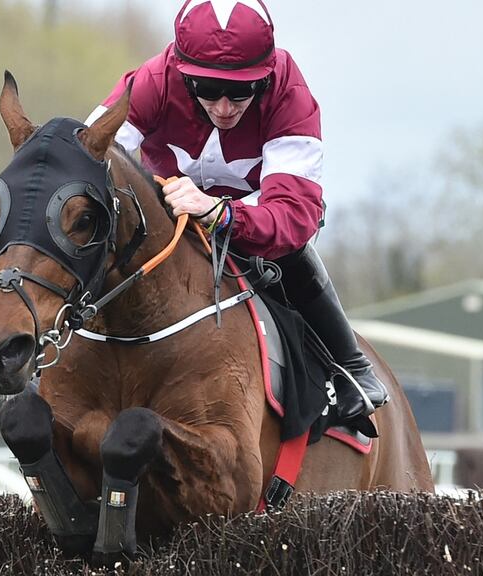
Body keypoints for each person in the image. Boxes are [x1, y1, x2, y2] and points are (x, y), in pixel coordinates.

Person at [86, 0, 387, 421]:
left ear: (265, 77)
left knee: (291, 251)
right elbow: (87, 163)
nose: (224, 108)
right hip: (165, 216)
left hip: (255, 221)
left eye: (241, 91)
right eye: (207, 91)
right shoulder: (153, 79)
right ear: (180, 70)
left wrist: (221, 214)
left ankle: (352, 368)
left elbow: (293, 218)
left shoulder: (289, 92)